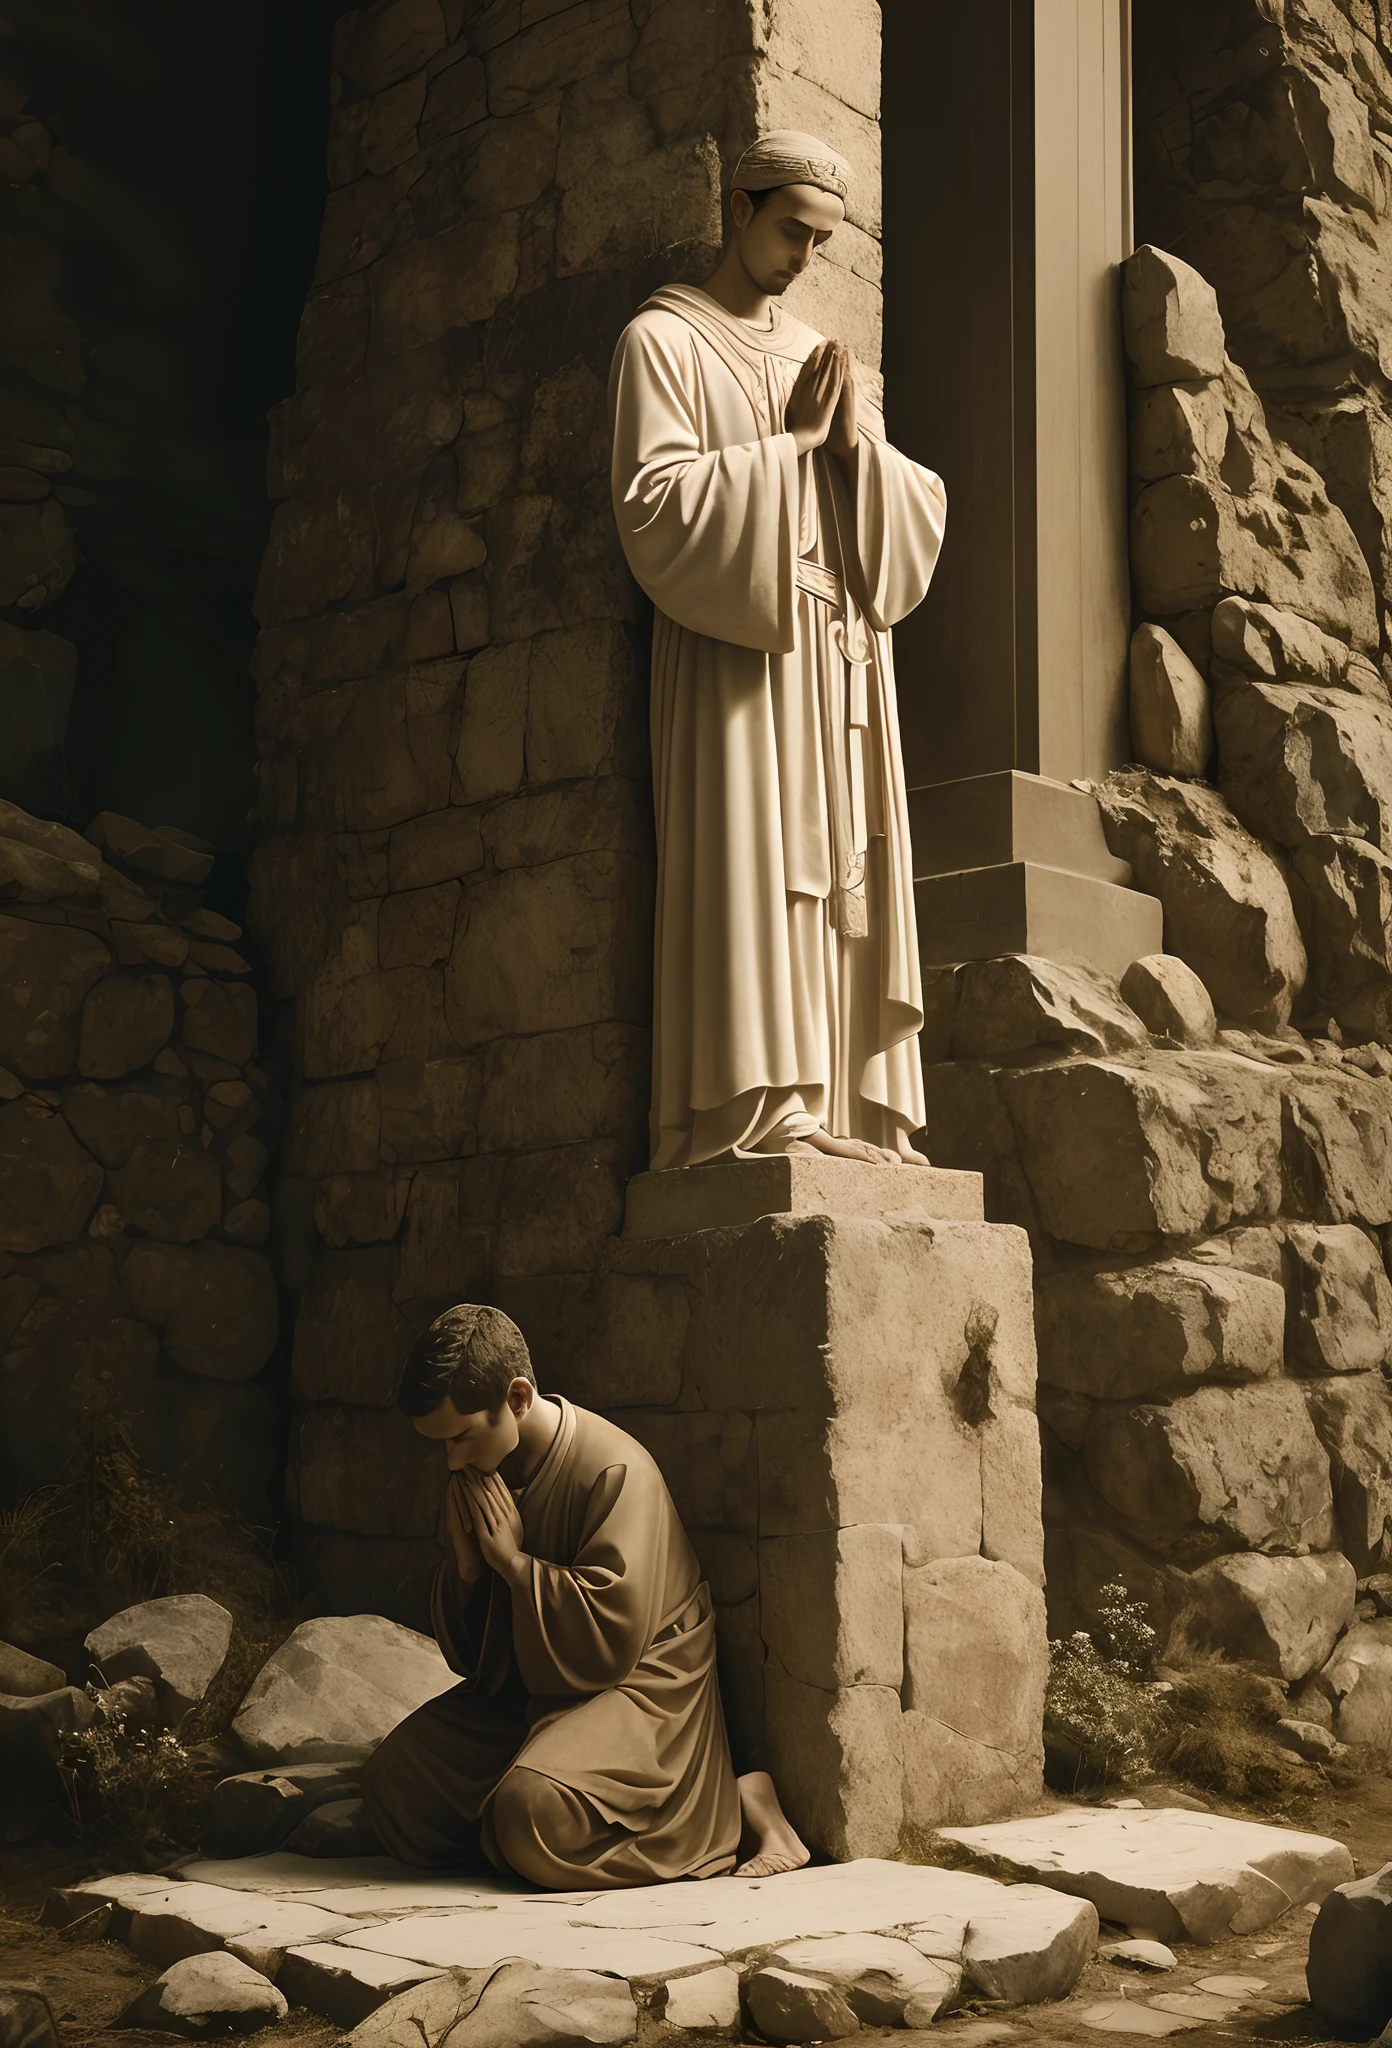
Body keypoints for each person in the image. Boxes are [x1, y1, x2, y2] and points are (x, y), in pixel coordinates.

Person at [609, 130, 948, 1172]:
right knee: (754, 864)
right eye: (793, 230)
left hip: (836, 650)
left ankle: (842, 1098)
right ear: (738, 209)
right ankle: (757, 1106)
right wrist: (791, 448)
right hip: (736, 649)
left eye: (824, 240)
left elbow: (914, 511)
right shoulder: (662, 343)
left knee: (843, 881)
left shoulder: (822, 357)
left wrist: (849, 447)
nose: (807, 256)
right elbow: (653, 508)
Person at [360, 1302, 808, 1885]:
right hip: (534, 1692)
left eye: (461, 1437)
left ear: (518, 1399)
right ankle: (517, 1819)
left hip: (638, 1693)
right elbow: (482, 1662)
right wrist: (470, 1573)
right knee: (395, 1784)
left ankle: (734, 1805)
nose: (452, 1460)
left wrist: (516, 1567)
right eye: (441, 1444)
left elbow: (610, 1639)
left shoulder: (616, 1470)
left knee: (528, 1813)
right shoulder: (486, 1466)